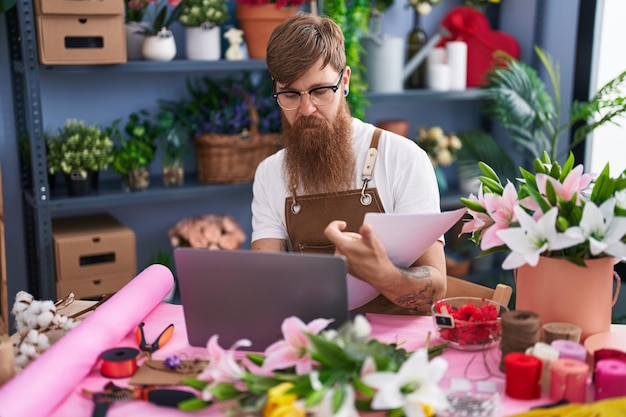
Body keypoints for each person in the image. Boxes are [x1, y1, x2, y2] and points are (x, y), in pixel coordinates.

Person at [250, 12, 446, 315]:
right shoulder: (270, 174)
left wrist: (383, 274)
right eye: (289, 93)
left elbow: (435, 287)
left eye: (319, 91)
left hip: (393, 347)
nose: (305, 108)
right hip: (311, 340)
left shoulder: (403, 159)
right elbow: (264, 283)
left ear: (344, 81)